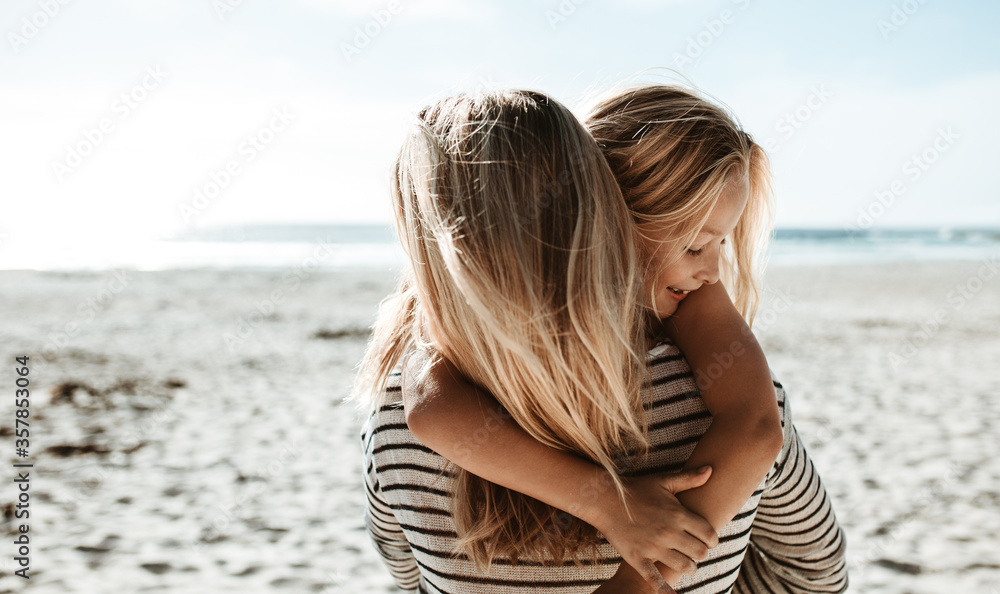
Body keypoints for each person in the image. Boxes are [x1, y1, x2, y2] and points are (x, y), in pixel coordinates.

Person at [356, 85, 847, 593]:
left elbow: (408, 572)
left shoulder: (395, 428)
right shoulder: (720, 400)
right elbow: (815, 568)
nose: (712, 272)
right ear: (609, 216)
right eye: (698, 244)